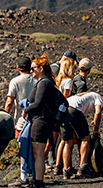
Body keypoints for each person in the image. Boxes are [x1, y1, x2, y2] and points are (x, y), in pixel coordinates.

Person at [23, 56, 62, 188]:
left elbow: (38, 103)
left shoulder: (44, 83)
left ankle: (38, 181)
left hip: (40, 121)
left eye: (33, 68)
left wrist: (26, 110)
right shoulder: (47, 82)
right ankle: (37, 180)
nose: (31, 71)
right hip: (43, 121)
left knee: (38, 153)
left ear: (41, 69)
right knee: (38, 152)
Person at [64, 68, 103, 179]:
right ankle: (83, 168)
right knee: (85, 138)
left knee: (68, 141)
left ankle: (66, 171)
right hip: (74, 110)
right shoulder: (99, 98)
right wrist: (96, 129)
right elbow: (97, 112)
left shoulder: (86, 96)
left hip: (64, 109)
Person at [3, 56, 37, 186]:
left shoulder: (15, 81)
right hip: (37, 119)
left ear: (18, 67)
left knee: (22, 146)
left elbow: (10, 101)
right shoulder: (37, 80)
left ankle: (23, 176)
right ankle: (36, 175)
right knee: (36, 148)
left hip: (21, 120)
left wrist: (5, 116)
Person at [52, 51, 78, 176]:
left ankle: (57, 165)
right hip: (64, 112)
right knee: (67, 139)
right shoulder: (68, 81)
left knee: (59, 140)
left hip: (56, 111)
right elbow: (66, 98)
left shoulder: (58, 80)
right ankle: (65, 167)